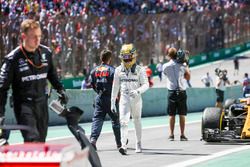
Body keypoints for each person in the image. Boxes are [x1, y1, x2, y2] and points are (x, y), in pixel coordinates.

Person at [0, 19, 68, 142]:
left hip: (42, 105)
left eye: (39, 36)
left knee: (41, 143)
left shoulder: (46, 53)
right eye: (33, 37)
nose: (37, 40)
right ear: (23, 36)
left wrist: (60, 89)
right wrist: (0, 114)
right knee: (33, 140)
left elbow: (52, 74)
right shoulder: (12, 59)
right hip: (24, 106)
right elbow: (2, 88)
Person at [111, 44, 149, 155]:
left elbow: (146, 85)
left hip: (136, 98)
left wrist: (138, 91)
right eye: (124, 56)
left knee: (137, 120)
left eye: (128, 56)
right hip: (124, 98)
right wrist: (112, 102)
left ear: (133, 55)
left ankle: (138, 143)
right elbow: (115, 87)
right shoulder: (118, 70)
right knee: (123, 122)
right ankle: (123, 145)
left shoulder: (140, 69)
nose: (126, 59)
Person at [89, 49, 121, 151]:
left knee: (97, 119)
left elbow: (93, 85)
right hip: (111, 98)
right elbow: (117, 86)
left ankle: (93, 140)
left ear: (100, 58)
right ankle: (119, 143)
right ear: (109, 59)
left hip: (100, 97)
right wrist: (118, 96)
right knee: (115, 120)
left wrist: (99, 92)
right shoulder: (113, 70)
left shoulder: (94, 70)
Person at [162, 47, 190, 141]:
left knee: (171, 115)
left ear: (169, 55)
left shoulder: (165, 66)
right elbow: (188, 77)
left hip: (171, 92)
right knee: (182, 115)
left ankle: (171, 135)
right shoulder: (182, 65)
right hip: (182, 91)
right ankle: (182, 135)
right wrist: (187, 66)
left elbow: (166, 74)